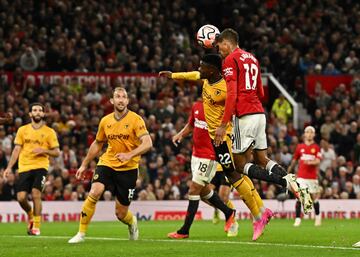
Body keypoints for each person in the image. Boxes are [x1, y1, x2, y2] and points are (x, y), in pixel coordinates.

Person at [159, 54, 272, 241]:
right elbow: (193, 75)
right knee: (231, 177)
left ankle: (258, 213)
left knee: (235, 175)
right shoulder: (206, 80)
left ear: (212, 69)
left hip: (223, 139)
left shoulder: (225, 88)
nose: (200, 69)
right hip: (214, 142)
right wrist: (173, 75)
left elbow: (233, 105)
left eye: (203, 67)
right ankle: (242, 212)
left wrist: (224, 127)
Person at [214, 28, 312, 214]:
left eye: (220, 47)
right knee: (261, 158)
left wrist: (223, 124)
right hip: (259, 113)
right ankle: (296, 183)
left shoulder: (230, 60)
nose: (219, 51)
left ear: (227, 43)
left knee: (238, 165)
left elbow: (233, 94)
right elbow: (261, 91)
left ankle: (285, 183)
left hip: (245, 116)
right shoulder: (252, 58)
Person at [68, 87, 152, 243]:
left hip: (128, 169)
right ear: (112, 101)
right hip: (107, 162)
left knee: (121, 214)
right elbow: (98, 143)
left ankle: (132, 222)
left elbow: (148, 143)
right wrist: (84, 164)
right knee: (95, 191)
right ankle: (81, 233)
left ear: (127, 101)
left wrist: (129, 155)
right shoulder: (105, 121)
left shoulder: (136, 119)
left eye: (124, 97)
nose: (121, 99)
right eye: (117, 97)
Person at [167, 100, 238, 239]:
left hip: (210, 155)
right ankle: (229, 212)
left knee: (193, 190)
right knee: (204, 190)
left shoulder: (220, 110)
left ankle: (184, 230)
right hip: (195, 155)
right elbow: (191, 125)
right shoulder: (196, 106)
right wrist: (180, 134)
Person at [3, 103, 60, 235]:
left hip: (41, 167)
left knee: (36, 194)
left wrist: (44, 150)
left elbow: (57, 152)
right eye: (35, 110)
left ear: (43, 114)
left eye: (40, 110)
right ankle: (30, 215)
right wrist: (9, 167)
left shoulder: (49, 132)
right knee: (21, 198)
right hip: (24, 167)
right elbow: (16, 149)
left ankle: (36, 226)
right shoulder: (22, 130)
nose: (38, 112)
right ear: (30, 114)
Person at [287, 126, 322, 227]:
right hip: (301, 176)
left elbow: (318, 160)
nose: (309, 134)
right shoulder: (300, 147)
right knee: (299, 197)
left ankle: (318, 217)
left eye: (311, 132)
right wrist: (288, 171)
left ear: (314, 135)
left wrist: (311, 162)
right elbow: (294, 160)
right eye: (307, 132)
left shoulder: (316, 147)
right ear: (304, 134)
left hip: (312, 177)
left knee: (314, 197)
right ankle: (298, 219)